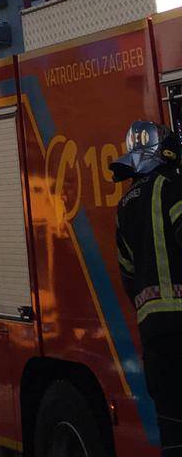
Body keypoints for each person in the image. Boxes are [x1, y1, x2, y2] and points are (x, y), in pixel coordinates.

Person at [113, 118, 182, 452]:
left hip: (152, 330)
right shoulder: (172, 187)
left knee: (170, 424)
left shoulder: (124, 206)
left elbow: (126, 272)